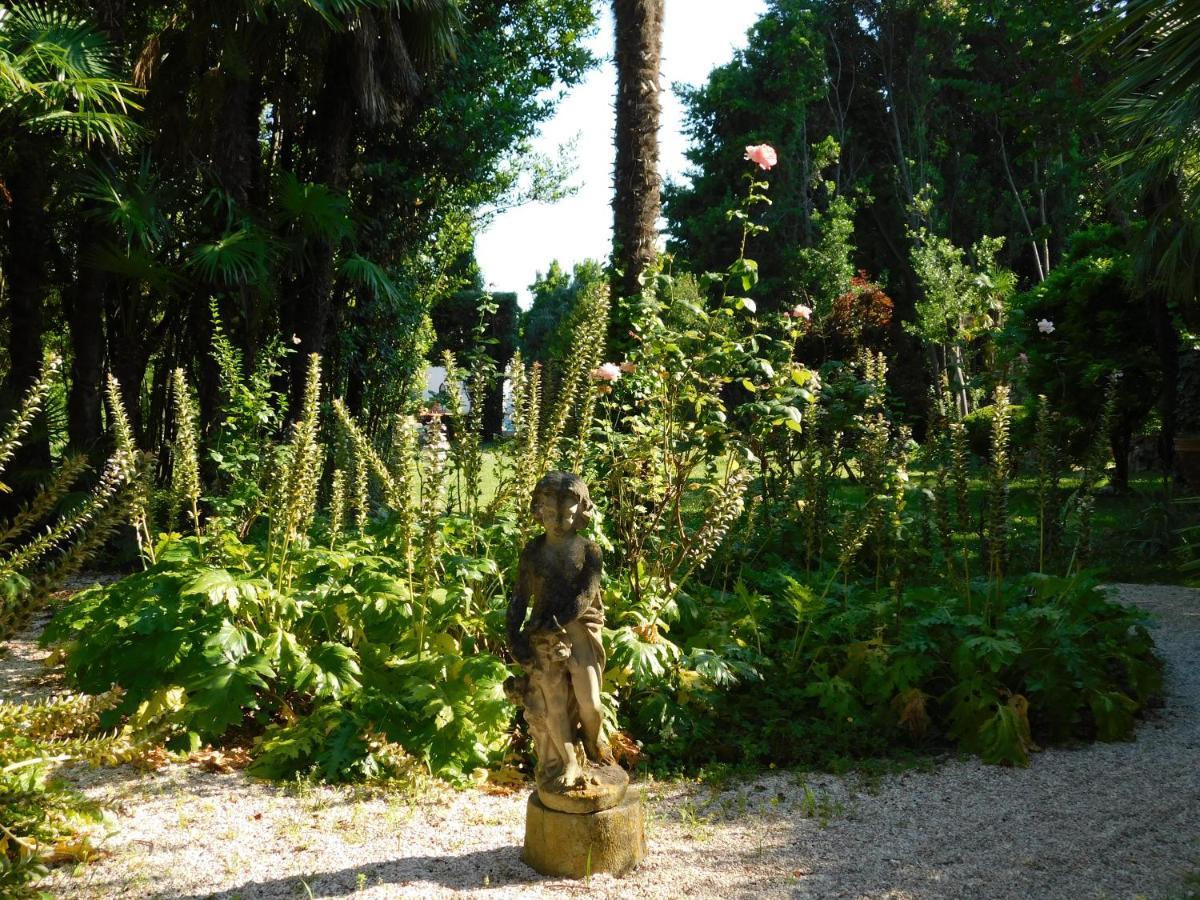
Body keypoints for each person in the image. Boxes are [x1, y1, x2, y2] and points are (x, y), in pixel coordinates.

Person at [507, 472, 611, 785]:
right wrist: (516, 641)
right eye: (550, 514)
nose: (557, 522)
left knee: (590, 701)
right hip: (542, 636)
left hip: (577, 628)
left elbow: (585, 597)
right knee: (553, 702)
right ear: (538, 511)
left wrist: (556, 623)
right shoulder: (533, 552)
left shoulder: (589, 551)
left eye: (566, 514)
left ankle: (593, 741)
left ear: (581, 511)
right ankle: (569, 763)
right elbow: (518, 600)